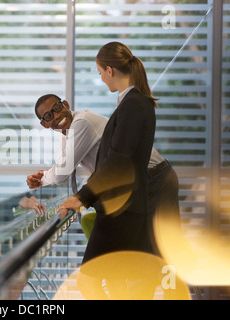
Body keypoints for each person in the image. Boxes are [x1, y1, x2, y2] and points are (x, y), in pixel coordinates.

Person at [27, 93, 181, 256]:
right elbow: (64, 165)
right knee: (148, 251)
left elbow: (62, 172)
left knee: (162, 249)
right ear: (45, 124)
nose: (57, 115)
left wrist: (42, 179)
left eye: (57, 107)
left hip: (154, 179)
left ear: (65, 104)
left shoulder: (82, 123)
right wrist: (42, 178)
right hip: (145, 182)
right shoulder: (69, 133)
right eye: (49, 115)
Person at [57, 41, 159, 263]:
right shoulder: (134, 103)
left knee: (91, 277)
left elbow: (117, 161)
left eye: (101, 72)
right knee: (116, 280)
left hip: (122, 211)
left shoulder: (133, 105)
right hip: (124, 208)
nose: (102, 78)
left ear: (110, 70)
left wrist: (82, 197)